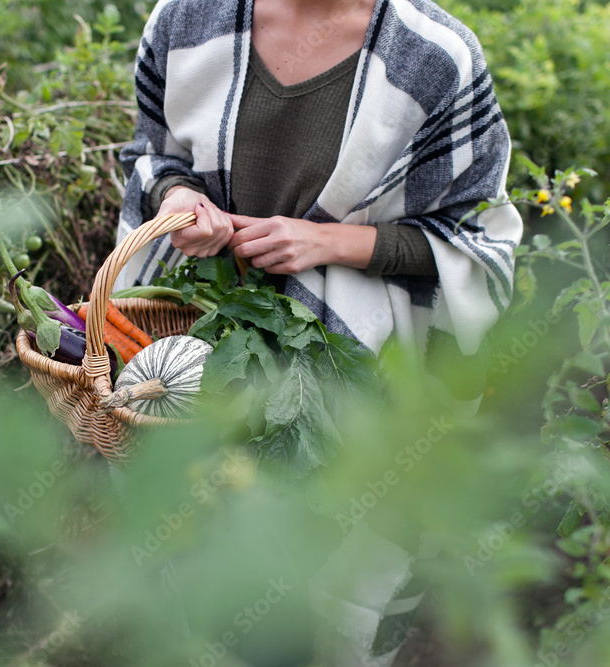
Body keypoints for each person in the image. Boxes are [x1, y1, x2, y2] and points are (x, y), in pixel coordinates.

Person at [113, 0, 523, 664]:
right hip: (191, 344)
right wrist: (177, 197)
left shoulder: (434, 58)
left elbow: (478, 241)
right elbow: (151, 157)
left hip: (342, 374)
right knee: (195, 570)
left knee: (310, 590)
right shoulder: (186, 18)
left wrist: (330, 242)